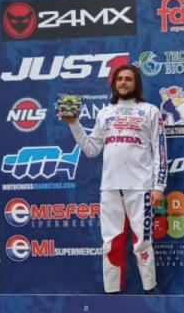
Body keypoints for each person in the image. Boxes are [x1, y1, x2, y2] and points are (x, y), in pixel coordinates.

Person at [59, 65, 167, 294]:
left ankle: (150, 291)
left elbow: (160, 150)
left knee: (142, 242)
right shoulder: (104, 113)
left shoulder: (150, 111)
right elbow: (91, 150)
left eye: (128, 79)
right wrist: (74, 124)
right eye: (119, 79)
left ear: (136, 84)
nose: (123, 82)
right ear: (114, 84)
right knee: (110, 244)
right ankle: (112, 294)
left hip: (141, 187)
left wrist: (159, 186)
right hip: (109, 187)